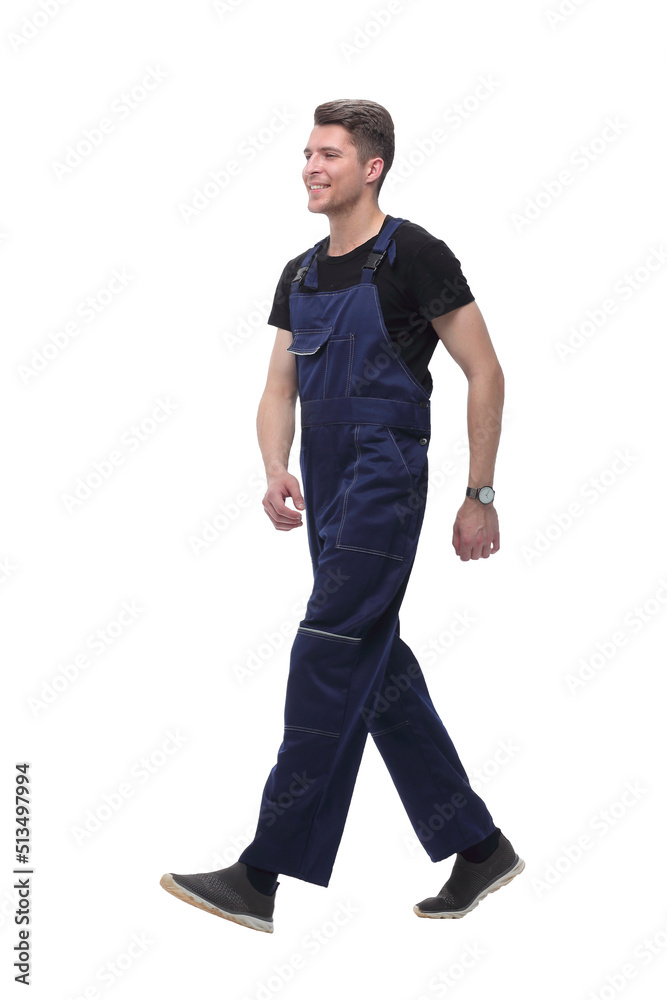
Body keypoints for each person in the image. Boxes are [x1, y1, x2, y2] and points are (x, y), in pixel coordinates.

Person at [160, 99, 524, 933]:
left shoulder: (414, 254)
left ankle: (262, 872)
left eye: (328, 154)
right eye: (307, 154)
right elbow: (277, 385)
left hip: (383, 480)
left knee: (326, 650)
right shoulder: (299, 272)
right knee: (374, 666)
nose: (311, 167)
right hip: (325, 485)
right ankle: (477, 847)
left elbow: (485, 370)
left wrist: (479, 494)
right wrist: (273, 466)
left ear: (372, 166)